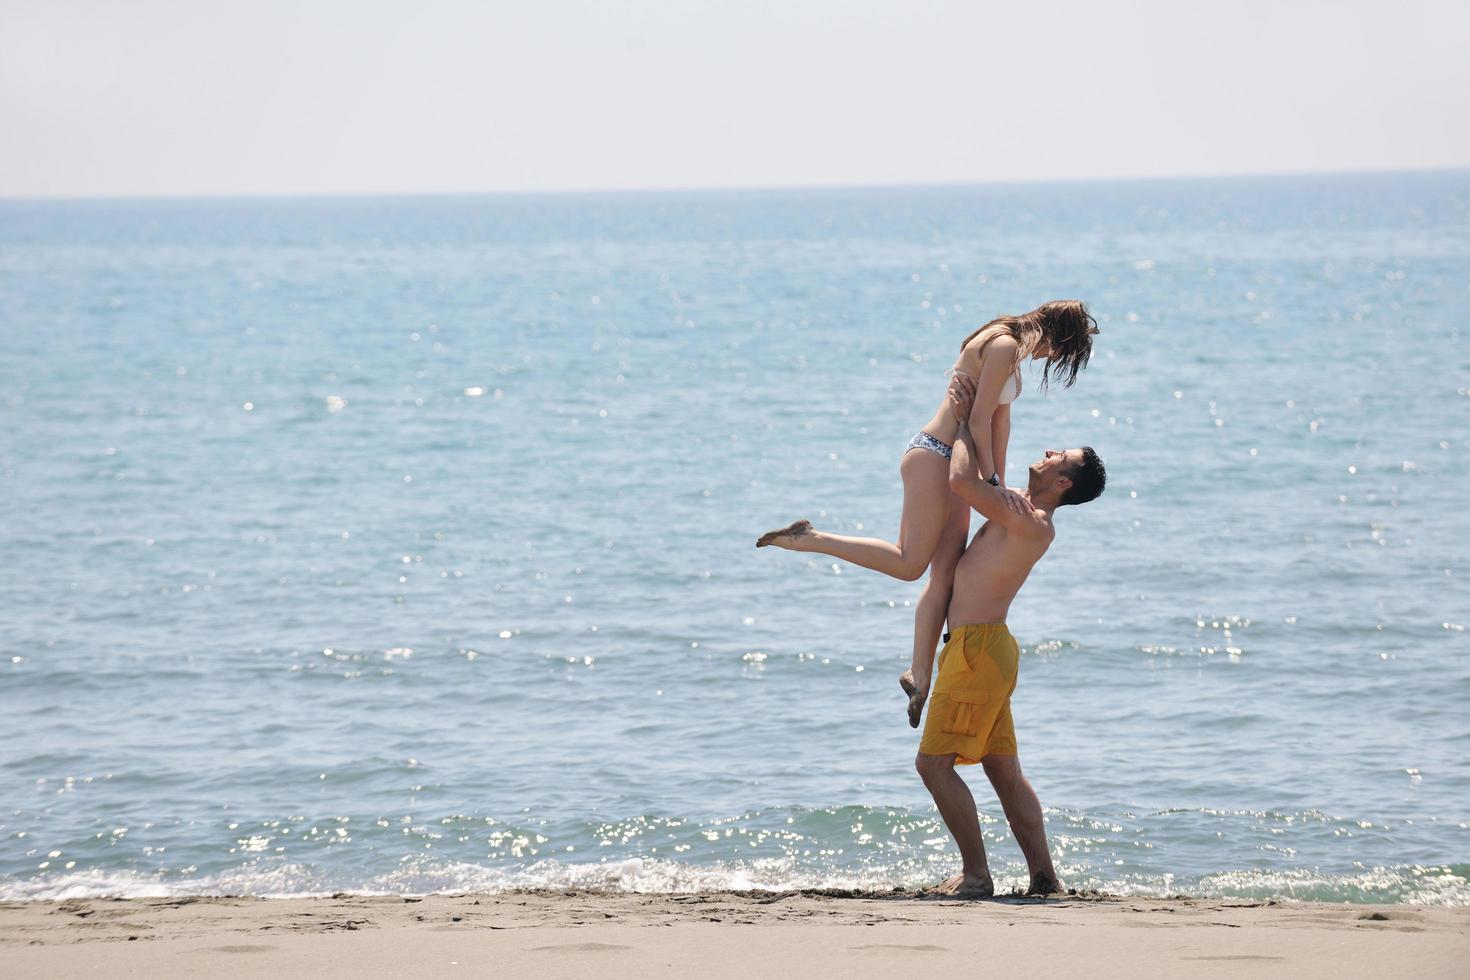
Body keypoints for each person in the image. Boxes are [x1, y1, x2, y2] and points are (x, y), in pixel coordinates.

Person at [756, 301, 1097, 726]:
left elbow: (998, 426)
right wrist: (990, 485)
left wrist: (1000, 490)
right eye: (1062, 353)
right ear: (1058, 336)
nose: (1053, 359)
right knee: (908, 564)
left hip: (957, 460)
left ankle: (920, 675)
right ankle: (809, 538)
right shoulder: (1004, 345)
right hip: (937, 455)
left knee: (944, 574)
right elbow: (974, 423)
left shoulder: (1013, 356)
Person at [915, 372, 1106, 897]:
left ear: (1064, 482)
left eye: (1058, 456)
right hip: (987, 649)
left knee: (932, 765)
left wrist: (957, 422)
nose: (1047, 452)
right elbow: (988, 470)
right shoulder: (1019, 504)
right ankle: (1044, 877)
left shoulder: (1032, 519)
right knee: (1003, 770)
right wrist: (990, 407)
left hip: (978, 650)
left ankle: (976, 875)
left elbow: (961, 482)